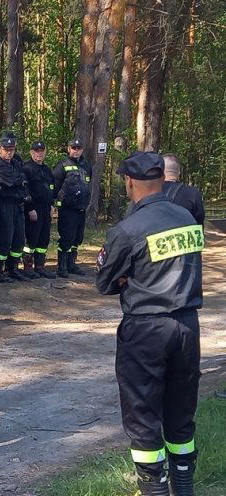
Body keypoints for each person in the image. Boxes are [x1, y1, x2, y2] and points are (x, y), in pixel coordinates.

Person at [95, 151, 203, 496]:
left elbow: (106, 283)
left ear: (129, 182)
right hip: (187, 325)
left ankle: (154, 489)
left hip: (145, 328)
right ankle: (183, 488)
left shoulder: (127, 229)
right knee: (181, 411)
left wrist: (131, 278)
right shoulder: (187, 217)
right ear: (162, 179)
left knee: (143, 415)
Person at [0, 134, 30, 283]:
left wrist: (18, 181)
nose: (9, 152)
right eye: (6, 149)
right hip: (3, 204)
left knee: (18, 238)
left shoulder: (16, 163)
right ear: (0, 150)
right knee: (4, 238)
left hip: (17, 204)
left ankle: (13, 269)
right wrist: (17, 181)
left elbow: (23, 180)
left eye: (11, 149)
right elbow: (9, 181)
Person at [53, 138, 92, 278]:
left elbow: (88, 184)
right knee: (67, 237)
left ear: (82, 150)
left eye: (78, 148)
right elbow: (55, 186)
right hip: (67, 209)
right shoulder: (62, 165)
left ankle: (71, 264)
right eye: (73, 148)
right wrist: (55, 205)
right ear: (69, 149)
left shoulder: (87, 166)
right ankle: (62, 267)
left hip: (80, 208)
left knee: (77, 238)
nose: (76, 151)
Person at [21, 141, 57, 279]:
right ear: (31, 152)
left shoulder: (47, 170)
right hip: (33, 209)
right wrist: (30, 208)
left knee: (43, 239)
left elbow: (52, 188)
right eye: (36, 151)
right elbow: (25, 190)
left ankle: (40, 266)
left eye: (42, 151)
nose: (39, 153)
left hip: (46, 209)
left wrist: (52, 205)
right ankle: (28, 267)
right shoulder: (27, 169)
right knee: (32, 239)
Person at [162, 153, 205, 226]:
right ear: (179, 172)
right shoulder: (193, 193)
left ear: (160, 171)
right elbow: (199, 221)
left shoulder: (150, 191)